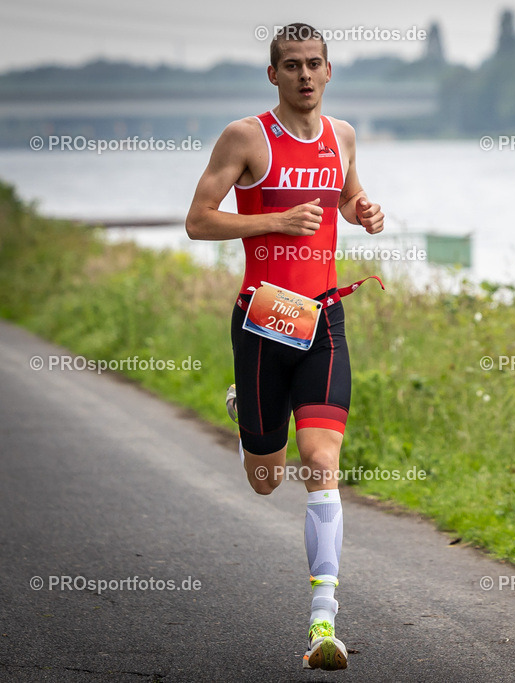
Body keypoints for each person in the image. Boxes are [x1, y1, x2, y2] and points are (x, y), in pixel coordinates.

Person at [185, 23, 384, 671]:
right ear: (273, 74)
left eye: (314, 64)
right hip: (265, 319)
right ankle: (248, 412)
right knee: (267, 479)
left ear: (329, 72)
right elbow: (198, 220)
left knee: (321, 459)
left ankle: (323, 622)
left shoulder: (342, 136)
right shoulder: (246, 137)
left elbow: (347, 196)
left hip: (323, 316)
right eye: (291, 65)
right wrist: (273, 217)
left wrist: (364, 212)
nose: (304, 75)